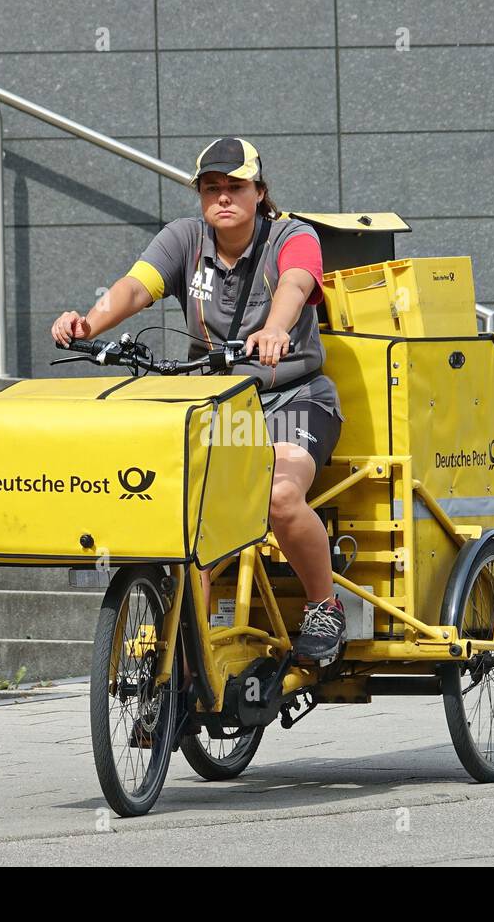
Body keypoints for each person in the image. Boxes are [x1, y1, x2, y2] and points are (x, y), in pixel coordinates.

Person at [51, 137, 347, 665]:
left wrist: (276, 330)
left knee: (279, 495)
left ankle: (324, 606)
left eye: (236, 186)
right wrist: (87, 324)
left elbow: (298, 284)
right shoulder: (185, 240)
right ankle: (180, 665)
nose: (223, 197)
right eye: (212, 188)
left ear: (259, 191)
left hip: (292, 398)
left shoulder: (291, 235)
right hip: (213, 402)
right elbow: (136, 287)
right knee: (182, 514)